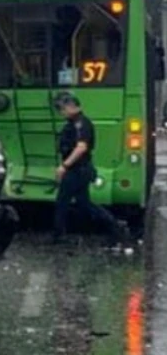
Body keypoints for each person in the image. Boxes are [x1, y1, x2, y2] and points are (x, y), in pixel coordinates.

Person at [53, 92, 127, 247]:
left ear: (73, 107)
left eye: (63, 108)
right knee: (84, 203)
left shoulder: (81, 123)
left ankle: (59, 235)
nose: (62, 112)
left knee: (62, 201)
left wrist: (64, 166)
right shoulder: (73, 123)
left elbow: (81, 147)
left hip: (77, 169)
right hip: (80, 169)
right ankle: (115, 224)